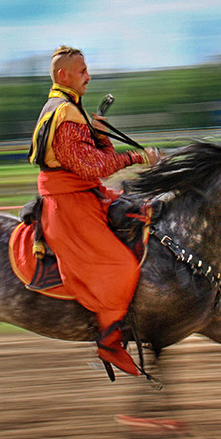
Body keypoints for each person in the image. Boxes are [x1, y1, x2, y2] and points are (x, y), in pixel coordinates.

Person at [27, 46, 160, 378]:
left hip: (82, 194)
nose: (89, 76)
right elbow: (92, 167)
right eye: (83, 70)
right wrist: (137, 158)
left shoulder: (71, 110)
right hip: (69, 203)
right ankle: (109, 341)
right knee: (122, 266)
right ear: (63, 75)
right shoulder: (66, 114)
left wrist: (99, 133)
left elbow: (96, 160)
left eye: (87, 70)